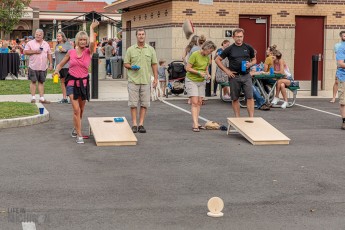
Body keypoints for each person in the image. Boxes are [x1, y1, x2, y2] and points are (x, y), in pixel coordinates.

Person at [53, 20, 99, 144]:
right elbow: (61, 64)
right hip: (72, 81)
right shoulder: (71, 52)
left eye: (85, 39)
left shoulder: (89, 51)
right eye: (81, 39)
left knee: (81, 110)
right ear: (77, 41)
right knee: (76, 109)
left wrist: (92, 29)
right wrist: (56, 70)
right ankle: (79, 134)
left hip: (83, 82)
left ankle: (75, 127)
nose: (83, 41)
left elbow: (93, 42)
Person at [215, 28, 256, 117]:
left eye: (241, 36)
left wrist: (251, 64)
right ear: (233, 37)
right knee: (235, 98)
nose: (239, 39)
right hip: (234, 76)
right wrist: (227, 71)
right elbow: (217, 60)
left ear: (243, 36)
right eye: (237, 37)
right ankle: (237, 118)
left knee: (250, 97)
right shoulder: (229, 49)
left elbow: (254, 59)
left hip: (246, 76)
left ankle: (251, 118)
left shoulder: (248, 47)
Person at [124, 28, 158, 133]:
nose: (141, 36)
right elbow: (125, 63)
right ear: (136, 36)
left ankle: (141, 124)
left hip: (145, 81)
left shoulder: (150, 49)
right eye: (139, 34)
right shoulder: (130, 49)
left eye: (143, 34)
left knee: (144, 103)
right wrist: (131, 67)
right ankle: (134, 124)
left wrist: (156, 78)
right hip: (133, 80)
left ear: (145, 36)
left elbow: (154, 64)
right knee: (133, 104)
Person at [185, 41, 217, 132]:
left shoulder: (207, 57)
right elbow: (188, 68)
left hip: (201, 81)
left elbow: (206, 68)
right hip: (192, 80)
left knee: (199, 102)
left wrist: (208, 74)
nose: (210, 53)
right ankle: (195, 124)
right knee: (194, 102)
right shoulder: (195, 54)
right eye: (210, 51)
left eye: (212, 52)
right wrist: (198, 72)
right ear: (205, 48)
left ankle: (197, 122)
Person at [24, 29, 53, 104]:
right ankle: (33, 98)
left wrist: (51, 64)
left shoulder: (46, 44)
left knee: (41, 82)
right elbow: (25, 51)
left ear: (42, 35)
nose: (38, 36)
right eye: (36, 34)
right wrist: (35, 51)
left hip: (43, 67)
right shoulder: (30, 43)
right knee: (33, 81)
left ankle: (42, 98)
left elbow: (49, 53)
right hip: (33, 66)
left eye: (39, 35)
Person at [55, 31, 73, 104]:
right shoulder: (57, 45)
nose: (58, 37)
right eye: (57, 36)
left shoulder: (67, 44)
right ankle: (64, 98)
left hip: (67, 66)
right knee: (62, 82)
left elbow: (72, 52)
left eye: (59, 36)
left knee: (68, 82)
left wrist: (64, 50)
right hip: (60, 66)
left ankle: (70, 98)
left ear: (63, 37)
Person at [331, 32, 345, 103]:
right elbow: (339, 58)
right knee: (336, 82)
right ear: (341, 37)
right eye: (344, 36)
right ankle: (333, 97)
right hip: (341, 67)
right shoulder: (338, 46)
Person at [335, 31, 345, 129]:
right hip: (343, 77)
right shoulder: (341, 48)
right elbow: (340, 63)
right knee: (343, 101)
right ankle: (344, 121)